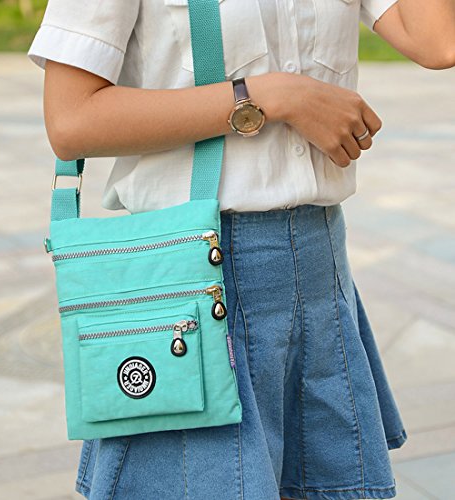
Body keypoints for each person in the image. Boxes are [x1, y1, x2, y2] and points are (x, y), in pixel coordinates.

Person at [27, 1, 455, 499]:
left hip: (318, 275)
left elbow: (437, 41)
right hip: (197, 284)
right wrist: (268, 96)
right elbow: (72, 120)